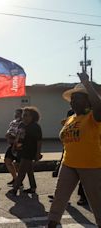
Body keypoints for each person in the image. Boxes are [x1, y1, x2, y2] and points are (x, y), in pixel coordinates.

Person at [48, 71, 101, 227]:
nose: (72, 102)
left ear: (87, 101)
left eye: (77, 98)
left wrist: (87, 83)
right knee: (59, 198)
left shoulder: (93, 117)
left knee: (97, 202)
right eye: (71, 99)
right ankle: (51, 224)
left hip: (91, 165)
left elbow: (99, 107)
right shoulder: (70, 118)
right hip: (69, 164)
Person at [8, 107, 42, 196]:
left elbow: (39, 141)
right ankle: (33, 187)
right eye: (24, 115)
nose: (24, 117)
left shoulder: (35, 127)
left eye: (27, 115)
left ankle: (15, 189)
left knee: (22, 170)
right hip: (21, 150)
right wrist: (14, 146)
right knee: (29, 170)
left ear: (32, 117)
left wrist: (38, 153)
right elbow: (18, 136)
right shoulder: (22, 125)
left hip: (30, 151)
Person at [4, 109, 23, 186]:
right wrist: (8, 135)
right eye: (15, 113)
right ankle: (15, 178)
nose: (16, 115)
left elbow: (21, 134)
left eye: (18, 114)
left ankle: (19, 181)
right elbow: (10, 131)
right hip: (12, 145)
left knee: (18, 165)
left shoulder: (23, 124)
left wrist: (13, 137)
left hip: (20, 146)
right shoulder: (12, 122)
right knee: (7, 161)